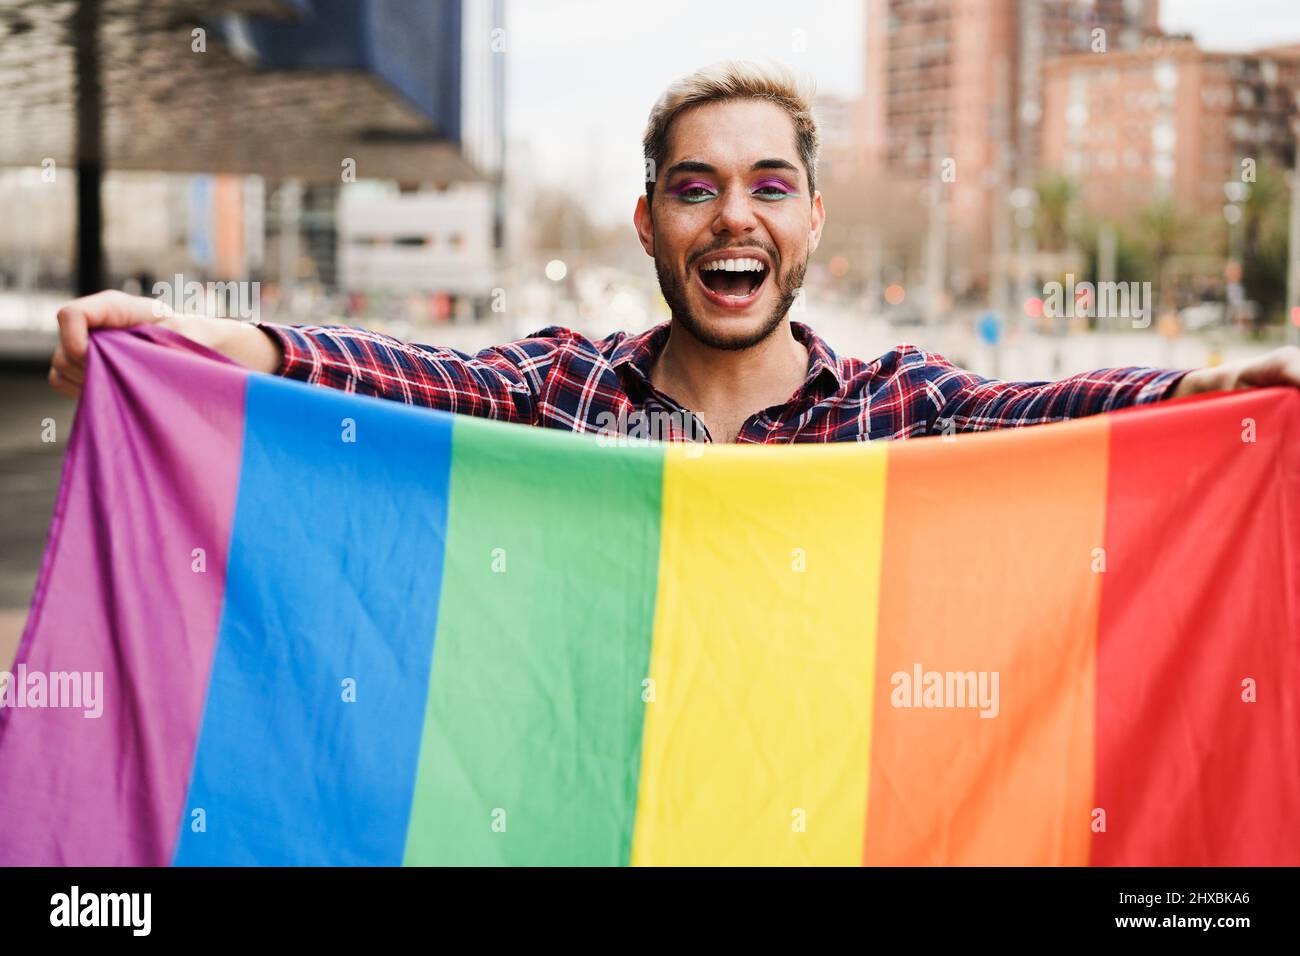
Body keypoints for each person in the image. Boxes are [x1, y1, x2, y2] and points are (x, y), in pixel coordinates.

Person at [48, 61, 1300, 443]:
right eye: (693, 189)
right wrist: (222, 345)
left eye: (770, 186)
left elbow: (1055, 409)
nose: (732, 217)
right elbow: (396, 375)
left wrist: (1202, 392)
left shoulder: (899, 407)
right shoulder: (564, 393)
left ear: (811, 221)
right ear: (649, 225)